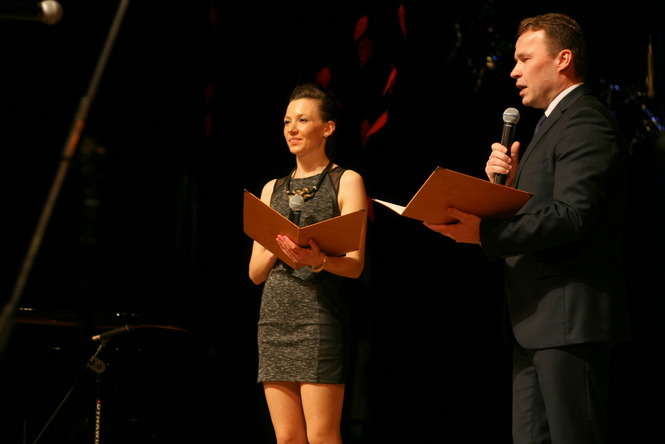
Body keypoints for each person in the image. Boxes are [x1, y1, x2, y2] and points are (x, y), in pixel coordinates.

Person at [424, 13, 629, 444]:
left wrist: (484, 233)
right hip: (535, 322)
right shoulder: (551, 124)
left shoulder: (585, 119)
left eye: (524, 59)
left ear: (563, 59)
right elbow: (544, 208)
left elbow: (573, 215)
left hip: (568, 323)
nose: (513, 71)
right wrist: (508, 186)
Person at [248, 83, 367, 444]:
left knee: (322, 436)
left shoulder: (346, 181)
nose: (292, 129)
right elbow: (255, 274)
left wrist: (319, 260)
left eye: (302, 120)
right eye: (287, 121)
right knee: (287, 437)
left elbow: (355, 265)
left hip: (319, 318)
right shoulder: (271, 188)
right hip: (274, 320)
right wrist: (277, 244)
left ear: (327, 128)